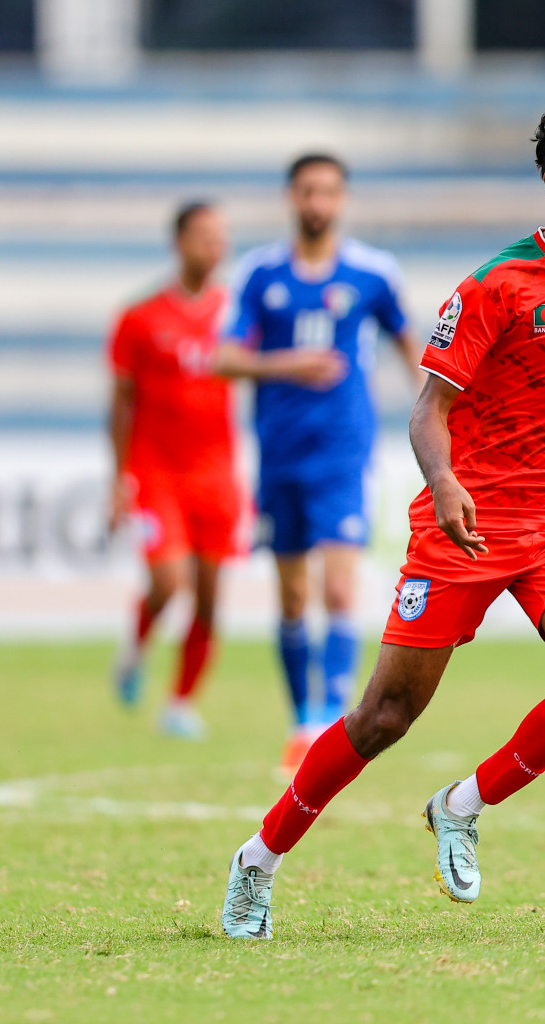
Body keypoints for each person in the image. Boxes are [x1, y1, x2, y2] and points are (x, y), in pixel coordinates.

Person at [219, 95, 545, 940]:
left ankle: (463, 804)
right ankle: (259, 859)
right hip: (471, 518)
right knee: (384, 716)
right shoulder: (495, 286)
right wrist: (446, 482)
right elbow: (429, 409)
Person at [108, 201, 340, 739]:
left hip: (217, 473)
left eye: (221, 238)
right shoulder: (140, 317)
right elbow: (121, 402)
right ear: (179, 242)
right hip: (156, 470)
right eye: (203, 236)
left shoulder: (236, 314)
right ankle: (137, 645)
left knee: (210, 596)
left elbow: (260, 374)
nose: (214, 247)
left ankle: (181, 702)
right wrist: (119, 477)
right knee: (169, 581)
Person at [222, 153, 422, 774]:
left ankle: (331, 719)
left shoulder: (372, 273)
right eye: (308, 191)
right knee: (289, 598)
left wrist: (441, 413)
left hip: (343, 454)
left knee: (338, 588)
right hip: (280, 456)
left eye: (329, 192)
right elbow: (224, 359)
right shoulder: (259, 274)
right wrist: (289, 364)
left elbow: (411, 348)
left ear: (342, 199)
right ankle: (300, 717)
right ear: (291, 197)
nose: (318, 203)